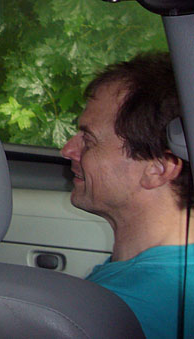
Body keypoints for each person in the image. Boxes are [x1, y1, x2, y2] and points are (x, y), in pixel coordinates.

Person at [61, 52, 193, 338]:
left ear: (158, 168)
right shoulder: (177, 269)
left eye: (89, 140)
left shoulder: (125, 308)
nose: (68, 150)